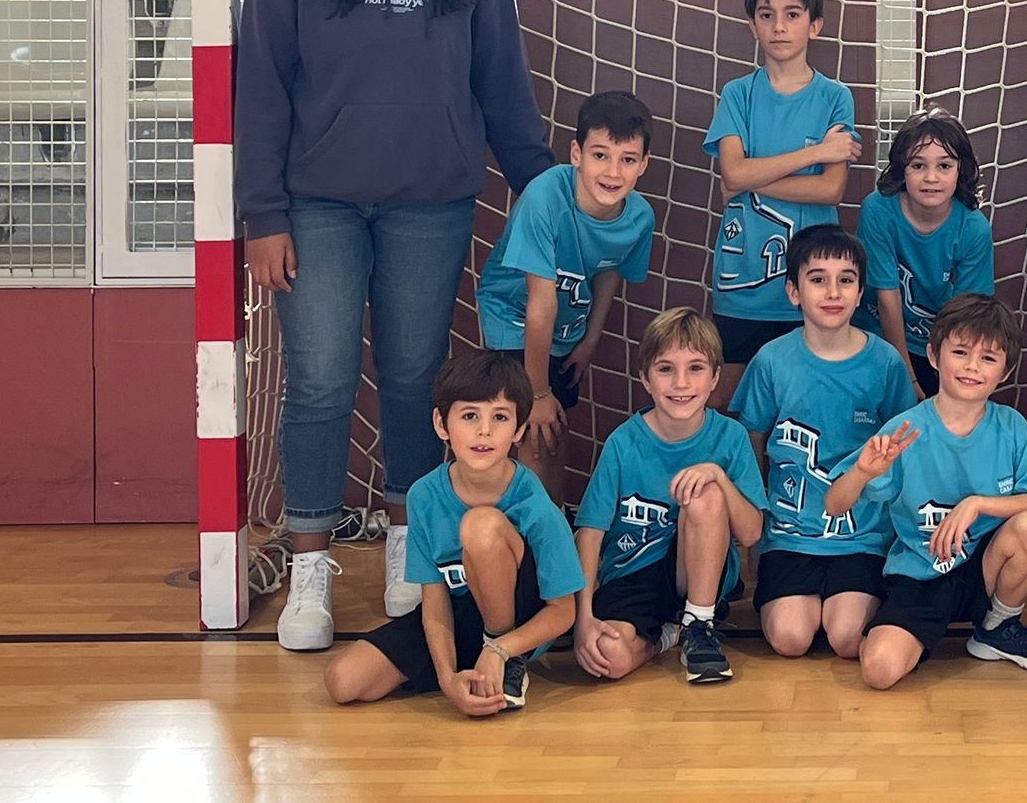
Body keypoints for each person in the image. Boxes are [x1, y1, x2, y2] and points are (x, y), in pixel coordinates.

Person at [236, 0, 554, 651]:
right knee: (321, 381)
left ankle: (415, 556)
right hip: (316, 205)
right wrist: (263, 212)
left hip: (430, 201)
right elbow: (259, 89)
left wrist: (542, 185)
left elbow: (501, 81)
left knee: (418, 382)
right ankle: (310, 570)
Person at [825, 295, 1027, 690]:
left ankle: (997, 627)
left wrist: (977, 504)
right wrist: (861, 472)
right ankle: (896, 629)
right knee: (879, 671)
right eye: (960, 352)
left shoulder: (1011, 427)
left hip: (983, 569)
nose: (972, 366)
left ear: (1005, 371)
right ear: (934, 356)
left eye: (988, 358)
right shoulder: (904, 430)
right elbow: (835, 504)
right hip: (922, 575)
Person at [322, 351, 583, 715]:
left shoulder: (536, 505)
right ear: (442, 424)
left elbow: (562, 612)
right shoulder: (424, 495)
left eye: (501, 417)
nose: (484, 431)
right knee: (344, 681)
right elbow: (434, 600)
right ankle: (472, 668)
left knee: (480, 524)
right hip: (461, 617)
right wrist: (447, 679)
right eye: (470, 415)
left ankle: (506, 662)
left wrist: (500, 648)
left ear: (520, 429)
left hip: (520, 627)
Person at [735, 224, 913, 660]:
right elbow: (752, 446)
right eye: (818, 279)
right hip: (791, 536)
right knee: (791, 639)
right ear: (794, 292)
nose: (832, 292)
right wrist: (755, 540)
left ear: (859, 292)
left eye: (845, 280)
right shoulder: (772, 361)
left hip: (863, 536)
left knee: (847, 638)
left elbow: (902, 457)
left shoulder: (886, 363)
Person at [476, 90, 655, 508]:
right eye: (600, 155)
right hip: (516, 318)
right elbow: (540, 302)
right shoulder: (544, 198)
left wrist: (590, 340)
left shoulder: (640, 216)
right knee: (534, 433)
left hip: (565, 326)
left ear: (643, 165)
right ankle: (531, 558)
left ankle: (554, 533)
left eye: (627, 159)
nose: (612, 171)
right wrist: (537, 393)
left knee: (554, 435)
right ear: (576, 154)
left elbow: (611, 267)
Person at [571, 308, 766, 685]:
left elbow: (753, 533)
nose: (681, 383)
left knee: (706, 492)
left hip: (694, 576)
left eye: (695, 368)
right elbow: (590, 534)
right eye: (665, 369)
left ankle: (698, 625)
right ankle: (667, 636)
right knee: (605, 658)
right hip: (631, 575)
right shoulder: (622, 443)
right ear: (645, 378)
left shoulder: (730, 437)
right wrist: (583, 619)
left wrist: (720, 478)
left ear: (714, 379)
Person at [704, 0, 860, 404]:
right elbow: (732, 173)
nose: (778, 26)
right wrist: (816, 153)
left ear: (815, 25)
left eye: (792, 14)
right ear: (753, 24)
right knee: (729, 412)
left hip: (811, 291)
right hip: (742, 288)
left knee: (798, 410)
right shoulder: (738, 94)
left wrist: (752, 175)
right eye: (766, 14)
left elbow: (830, 191)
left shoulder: (835, 97)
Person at [858, 108, 996, 399]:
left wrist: (946, 375)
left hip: (936, 346)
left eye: (944, 166)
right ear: (901, 169)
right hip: (876, 336)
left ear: (962, 170)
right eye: (918, 166)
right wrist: (906, 378)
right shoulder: (878, 210)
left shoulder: (973, 229)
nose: (931, 177)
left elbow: (968, 315)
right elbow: (887, 297)